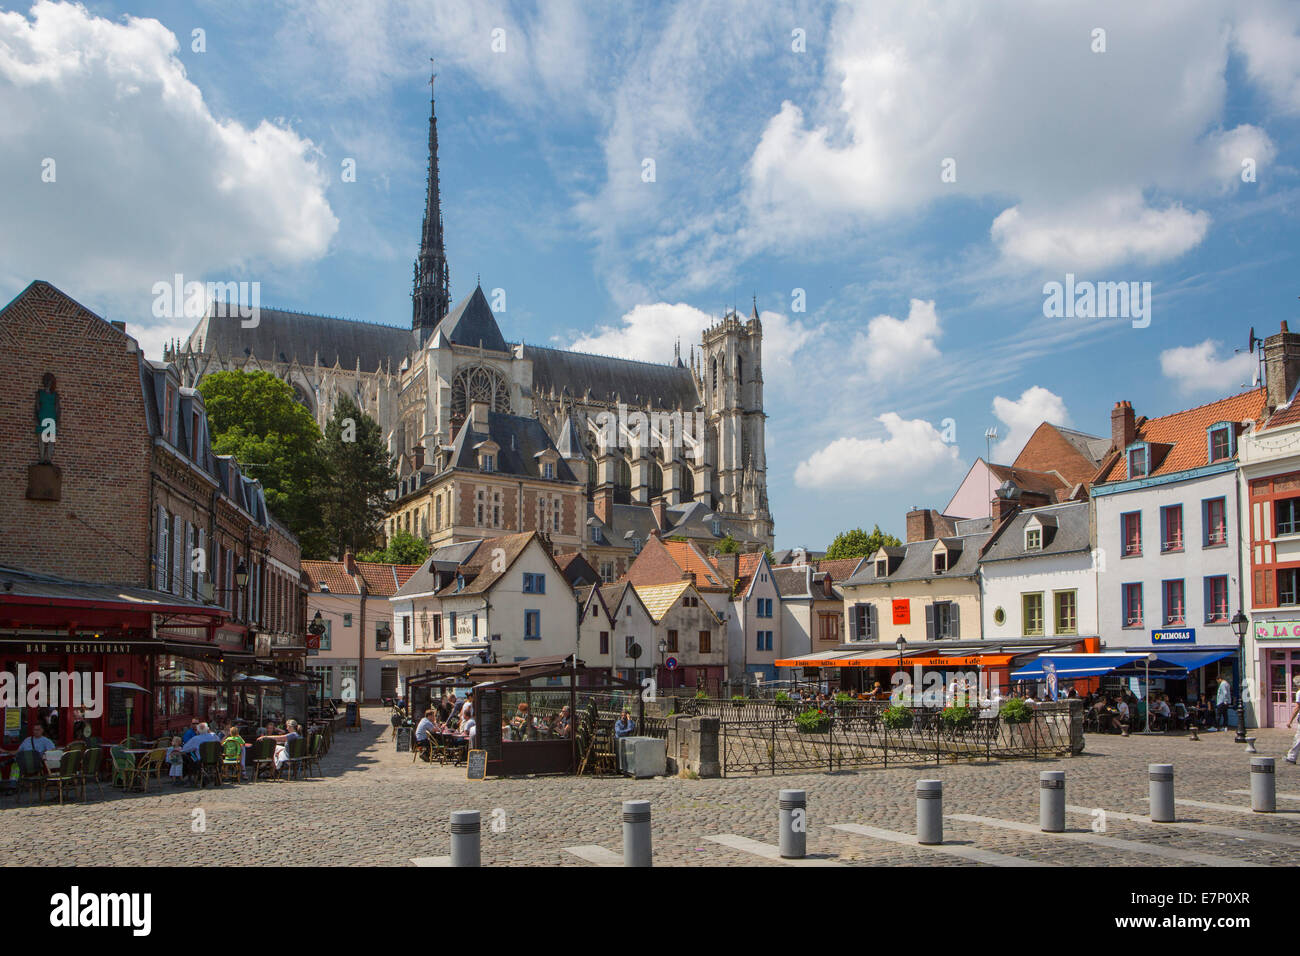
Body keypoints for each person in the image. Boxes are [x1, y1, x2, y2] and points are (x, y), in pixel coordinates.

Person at [1286, 676, 1300, 764]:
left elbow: (1297, 707)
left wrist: (1290, 721)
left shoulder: (1299, 693)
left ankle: (1292, 757)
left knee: (1298, 738)